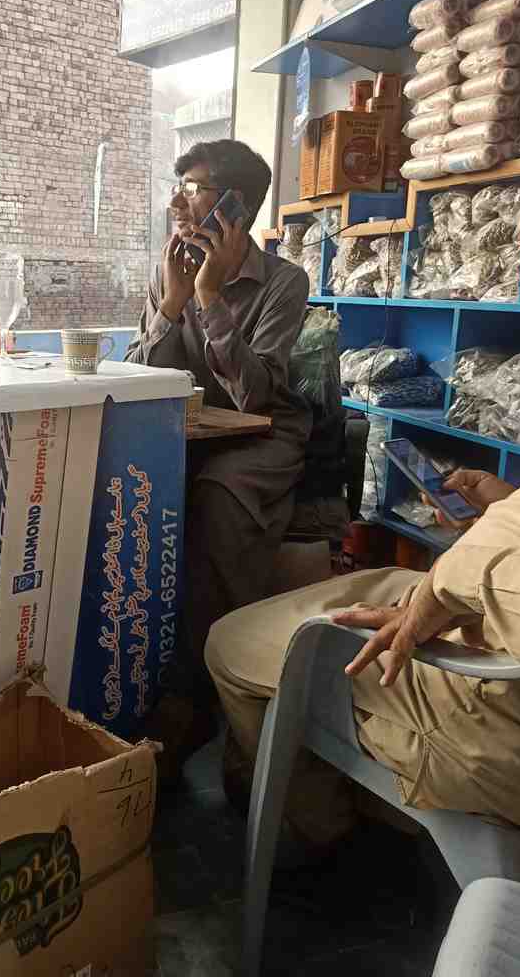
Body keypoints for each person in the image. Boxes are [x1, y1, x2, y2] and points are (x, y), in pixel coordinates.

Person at [206, 469, 520, 846]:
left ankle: (318, 829)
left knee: (229, 643)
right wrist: (507, 510)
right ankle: (355, 800)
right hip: (483, 607)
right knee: (349, 591)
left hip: (494, 699)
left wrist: (455, 579)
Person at [125, 139, 312, 782]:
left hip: (263, 436)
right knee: (127, 488)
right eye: (177, 185)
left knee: (216, 495)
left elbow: (254, 395)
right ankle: (130, 676)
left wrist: (209, 297)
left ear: (236, 206)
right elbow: (138, 378)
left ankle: (200, 695)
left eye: (194, 188)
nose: (177, 202)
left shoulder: (284, 281)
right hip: (193, 430)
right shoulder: (168, 269)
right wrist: (172, 303)